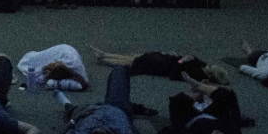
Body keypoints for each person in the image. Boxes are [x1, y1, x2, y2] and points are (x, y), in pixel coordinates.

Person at [60, 67, 156, 134]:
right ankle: (135, 107)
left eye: (94, 130)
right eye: (103, 129)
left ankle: (63, 99)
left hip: (85, 111)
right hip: (117, 106)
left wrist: (77, 117)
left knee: (70, 110)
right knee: (119, 71)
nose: (100, 125)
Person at [159, 77, 249, 134]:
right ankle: (201, 87)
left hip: (191, 116)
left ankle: (198, 93)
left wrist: (176, 101)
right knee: (227, 96)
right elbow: (235, 114)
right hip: (213, 114)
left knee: (178, 99)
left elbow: (177, 126)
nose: (217, 132)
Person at [93, 47, 228, 85]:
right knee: (133, 57)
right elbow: (193, 58)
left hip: (162, 67)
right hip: (165, 58)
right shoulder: (202, 65)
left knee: (131, 63)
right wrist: (186, 57)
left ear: (210, 74)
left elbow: (174, 74)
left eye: (210, 69)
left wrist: (181, 61)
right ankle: (105, 54)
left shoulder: (197, 75)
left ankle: (105, 59)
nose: (208, 66)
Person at [17, 43, 88, 92]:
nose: (51, 64)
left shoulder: (59, 72)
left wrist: (46, 73)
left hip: (65, 55)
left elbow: (43, 77)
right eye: (53, 64)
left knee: (29, 62)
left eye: (53, 65)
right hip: (64, 51)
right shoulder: (72, 63)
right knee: (34, 59)